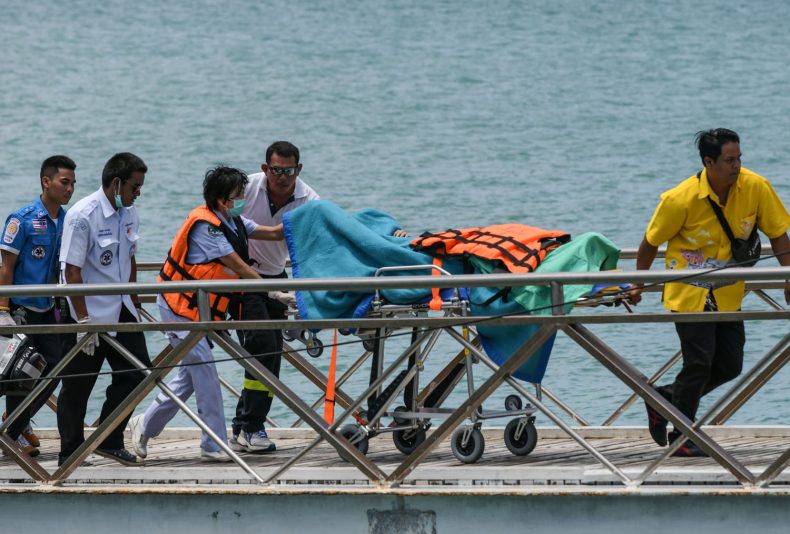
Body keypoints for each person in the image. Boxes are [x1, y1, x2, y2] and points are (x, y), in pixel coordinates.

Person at [630, 128, 790, 457]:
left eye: (739, 158)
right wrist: (638, 283)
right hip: (689, 292)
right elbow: (650, 242)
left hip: (729, 293)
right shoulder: (681, 198)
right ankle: (682, 436)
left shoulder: (756, 187)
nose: (736, 166)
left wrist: (789, 277)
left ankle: (665, 400)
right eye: (729, 160)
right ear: (708, 162)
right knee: (699, 363)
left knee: (730, 365)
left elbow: (779, 235)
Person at [127, 166, 284, 462]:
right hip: (177, 307)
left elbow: (272, 232)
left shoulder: (233, 220)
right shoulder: (206, 227)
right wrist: (273, 290)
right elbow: (238, 266)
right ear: (223, 200)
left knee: (189, 376)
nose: (243, 201)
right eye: (239, 196)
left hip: (200, 311)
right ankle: (212, 443)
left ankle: (145, 424)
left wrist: (302, 219)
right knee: (207, 371)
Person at [57, 152, 153, 466]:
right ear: (116, 183)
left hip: (122, 306)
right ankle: (70, 452)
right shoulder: (82, 215)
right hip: (87, 311)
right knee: (78, 386)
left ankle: (108, 438)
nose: (138, 192)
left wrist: (135, 302)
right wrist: (82, 321)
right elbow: (72, 271)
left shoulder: (130, 213)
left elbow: (130, 258)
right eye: (134, 186)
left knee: (139, 373)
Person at [229, 140, 319, 453]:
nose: (282, 176)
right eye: (276, 170)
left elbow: (315, 244)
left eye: (289, 171)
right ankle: (252, 426)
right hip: (241, 280)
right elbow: (219, 219)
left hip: (276, 278)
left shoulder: (308, 198)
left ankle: (244, 424)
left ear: (299, 169)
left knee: (269, 353)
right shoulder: (246, 188)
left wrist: (305, 292)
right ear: (266, 168)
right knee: (261, 347)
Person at [0, 155, 76, 456]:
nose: (69, 189)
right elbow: (6, 266)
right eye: (64, 182)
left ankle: (17, 422)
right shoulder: (22, 219)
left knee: (55, 368)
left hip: (49, 308)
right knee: (20, 373)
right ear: (46, 182)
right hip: (21, 308)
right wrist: (3, 310)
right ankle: (13, 433)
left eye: (72, 184)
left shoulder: (69, 220)